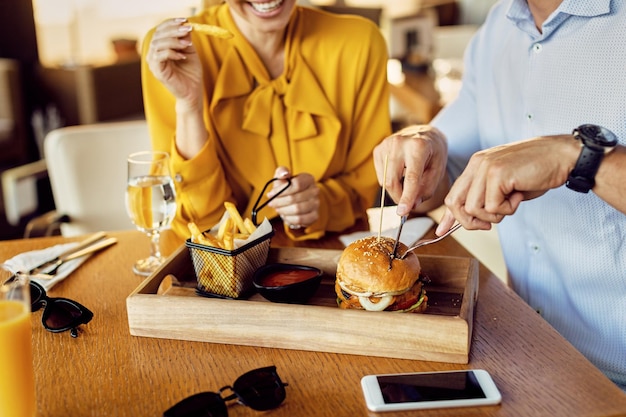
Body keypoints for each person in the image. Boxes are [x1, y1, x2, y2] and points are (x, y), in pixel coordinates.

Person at [373, 0, 626, 391]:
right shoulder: (498, 27)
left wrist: (576, 156)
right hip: (526, 349)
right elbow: (443, 175)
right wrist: (421, 146)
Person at [141, 0, 390, 241]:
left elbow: (362, 191)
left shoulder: (359, 43)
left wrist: (320, 205)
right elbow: (201, 225)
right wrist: (189, 104)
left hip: (332, 253)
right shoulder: (175, 51)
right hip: (216, 266)